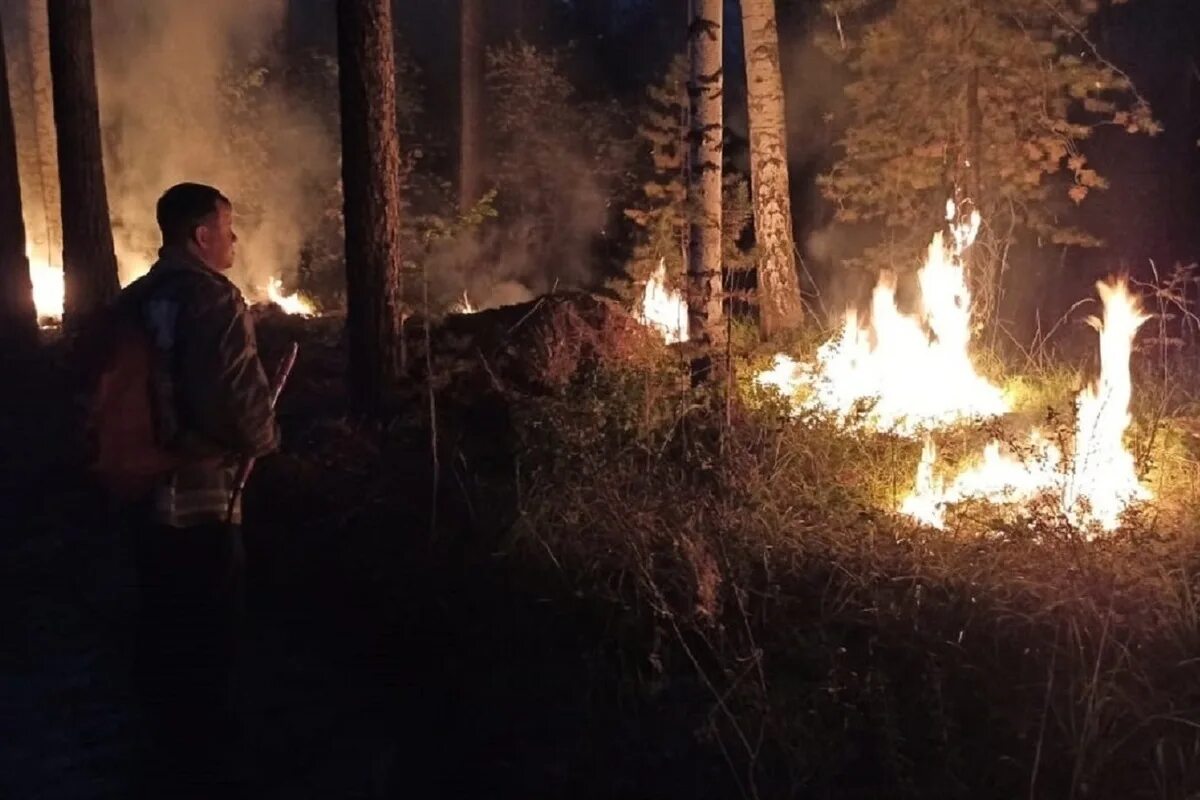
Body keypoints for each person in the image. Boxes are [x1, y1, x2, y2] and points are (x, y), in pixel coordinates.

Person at [116, 182, 279, 797]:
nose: (234, 239)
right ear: (201, 235)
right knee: (214, 629)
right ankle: (212, 765)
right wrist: (264, 442)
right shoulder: (213, 299)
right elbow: (234, 398)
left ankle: (159, 746)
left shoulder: (136, 298)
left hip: (141, 492)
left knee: (160, 619)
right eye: (227, 227)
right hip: (205, 495)